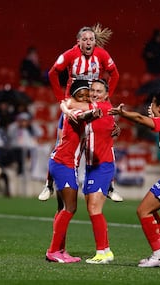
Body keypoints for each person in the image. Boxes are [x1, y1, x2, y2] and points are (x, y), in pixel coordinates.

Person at [40, 23, 122, 202]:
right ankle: (48, 184)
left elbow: (115, 73)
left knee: (106, 141)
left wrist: (107, 97)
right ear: (78, 42)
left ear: (94, 42)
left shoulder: (101, 54)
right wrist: (61, 99)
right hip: (74, 105)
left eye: (91, 39)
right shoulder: (70, 54)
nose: (88, 42)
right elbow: (53, 72)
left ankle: (110, 186)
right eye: (84, 40)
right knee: (61, 142)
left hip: (93, 104)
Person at [109, 90, 160, 267]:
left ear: (159, 108)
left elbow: (138, 118)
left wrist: (122, 113)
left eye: (152, 104)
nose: (149, 108)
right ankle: (159, 254)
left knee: (143, 211)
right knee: (149, 210)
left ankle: (159, 255)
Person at [45, 80, 98, 263]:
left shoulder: (72, 107)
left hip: (64, 163)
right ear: (74, 96)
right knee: (71, 207)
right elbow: (82, 117)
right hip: (63, 163)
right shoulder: (75, 111)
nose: (84, 98)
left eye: (86, 94)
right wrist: (93, 112)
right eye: (80, 95)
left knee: (62, 208)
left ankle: (60, 250)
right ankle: (53, 251)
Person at [65, 79, 116, 264]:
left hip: (103, 165)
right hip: (91, 166)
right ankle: (106, 250)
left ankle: (102, 253)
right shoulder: (95, 108)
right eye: (92, 90)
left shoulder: (102, 107)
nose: (94, 93)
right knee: (92, 208)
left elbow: (72, 103)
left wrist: (66, 105)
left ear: (106, 94)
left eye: (99, 90)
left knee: (94, 208)